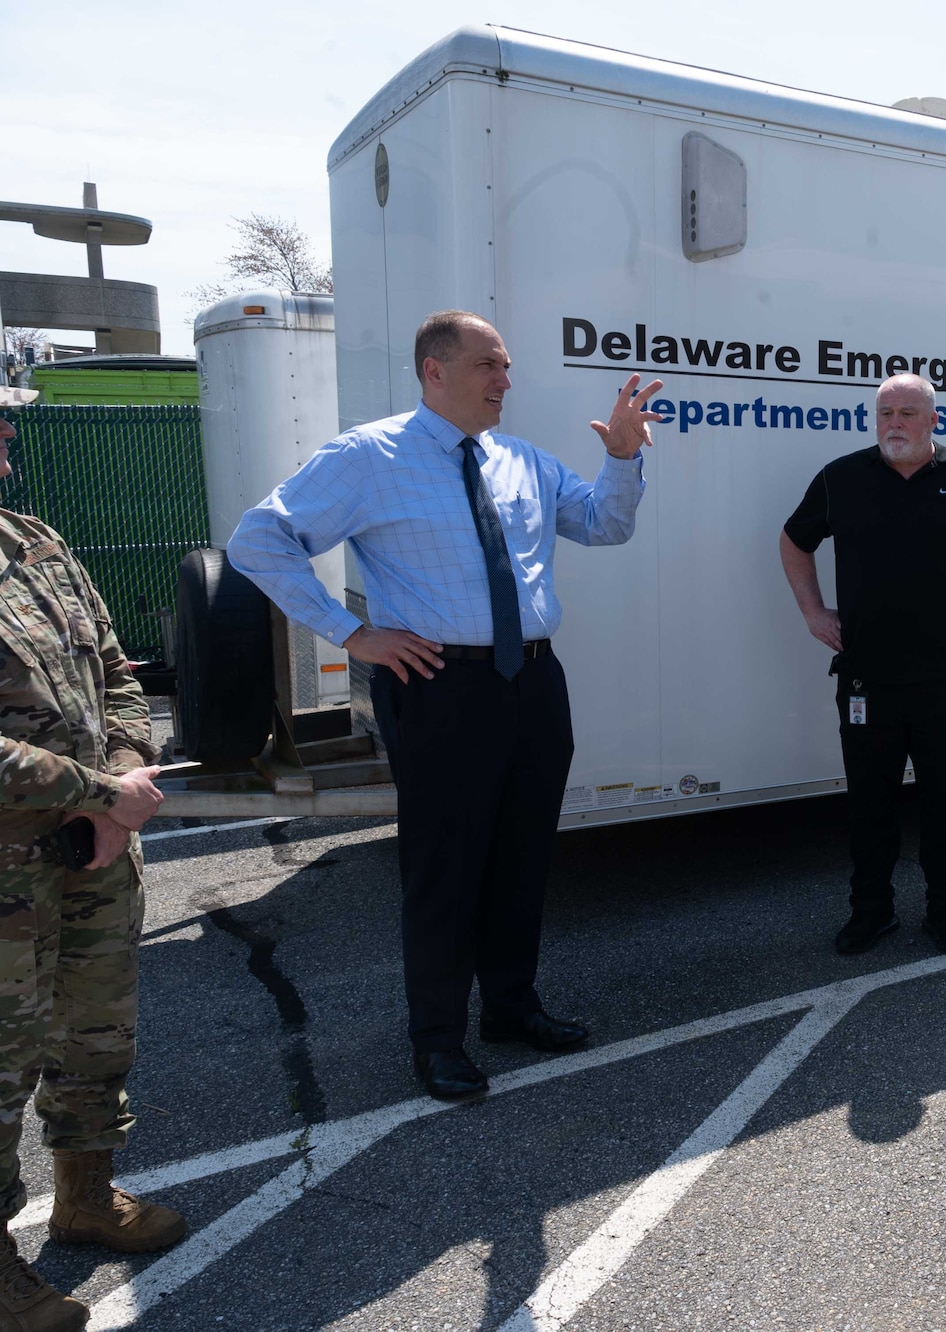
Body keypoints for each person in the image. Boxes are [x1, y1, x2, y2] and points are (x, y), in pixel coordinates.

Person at [229, 311, 663, 1102]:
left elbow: (605, 526)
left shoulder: (522, 461)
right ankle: (436, 1040)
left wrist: (623, 461)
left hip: (533, 682)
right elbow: (259, 539)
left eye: (506, 367)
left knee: (522, 856)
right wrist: (352, 633)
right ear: (436, 370)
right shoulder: (369, 456)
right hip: (439, 686)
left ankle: (509, 1008)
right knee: (444, 870)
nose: (505, 381)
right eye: (489, 366)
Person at [0, 385, 182, 1332]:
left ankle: (83, 1196)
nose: (6, 432)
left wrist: (125, 773)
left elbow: (116, 668)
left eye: (3, 417)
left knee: (94, 1033)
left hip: (93, 844)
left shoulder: (32, 540)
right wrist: (99, 794)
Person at [779, 374, 946, 956]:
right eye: (886, 412)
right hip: (867, 677)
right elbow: (794, 541)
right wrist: (813, 612)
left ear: (933, 421)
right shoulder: (840, 479)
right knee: (870, 801)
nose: (895, 422)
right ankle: (871, 912)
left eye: (908, 413)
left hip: (944, 678)